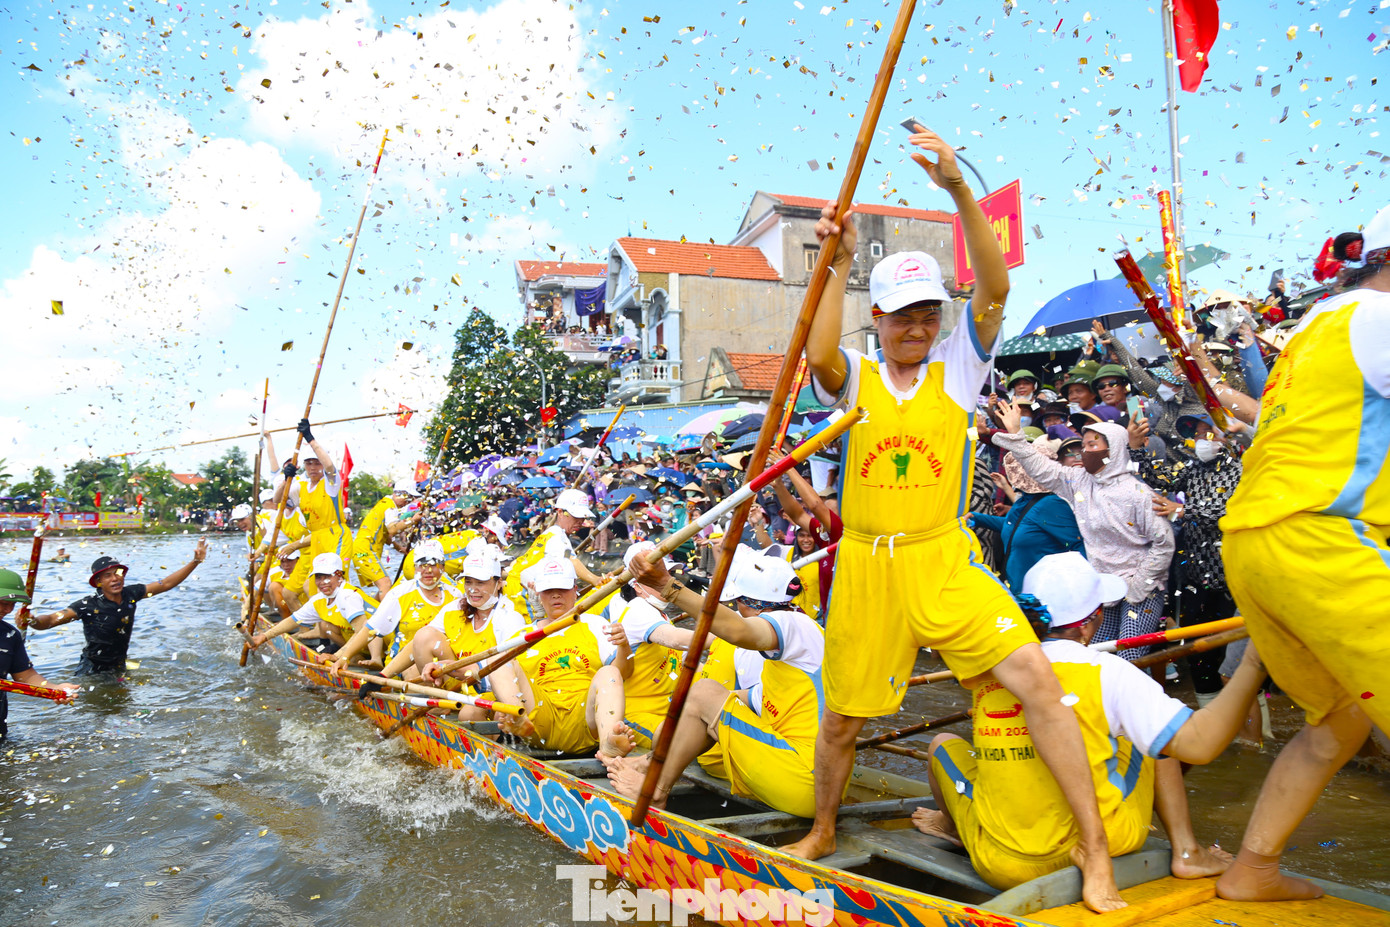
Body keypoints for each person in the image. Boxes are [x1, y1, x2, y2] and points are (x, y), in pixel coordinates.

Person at [792, 124, 1124, 912]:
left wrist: (957, 191)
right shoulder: (858, 377)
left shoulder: (961, 363)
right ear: (877, 316)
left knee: (1039, 681)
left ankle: (1096, 847)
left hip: (946, 556)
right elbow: (816, 354)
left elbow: (998, 289)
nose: (916, 326)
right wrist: (834, 264)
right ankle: (824, 828)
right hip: (871, 564)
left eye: (927, 312)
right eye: (902, 314)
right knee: (841, 721)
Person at [1212, 203, 1390, 902]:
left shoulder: (1318, 324)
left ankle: (1251, 866)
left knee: (1341, 716)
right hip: (1320, 537)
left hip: (1254, 542)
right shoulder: (1380, 320)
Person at [914, 553, 1267, 889]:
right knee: (1156, 729)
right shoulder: (1109, 672)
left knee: (941, 745)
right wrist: (1252, 665)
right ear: (1093, 620)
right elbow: (1200, 745)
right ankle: (1188, 852)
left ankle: (954, 826)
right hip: (1103, 841)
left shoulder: (991, 670)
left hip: (1001, 863)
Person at [605, 545, 826, 819]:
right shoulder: (792, 652)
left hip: (803, 778)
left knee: (703, 692)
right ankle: (651, 768)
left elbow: (738, 631)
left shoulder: (794, 624)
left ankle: (656, 791)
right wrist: (664, 741)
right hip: (803, 779)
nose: (734, 610)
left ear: (747, 603)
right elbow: (729, 700)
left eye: (735, 605)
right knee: (700, 699)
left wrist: (667, 585)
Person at [993, 403, 1175, 664]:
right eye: (1084, 445)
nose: (1085, 452)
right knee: (1096, 655)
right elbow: (1042, 469)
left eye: (1093, 446)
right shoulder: (1079, 480)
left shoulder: (1137, 493)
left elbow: (1164, 544)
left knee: (1129, 657)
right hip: (1105, 585)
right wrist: (1015, 435)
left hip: (1142, 587)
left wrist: (1139, 584)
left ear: (1112, 451)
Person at [1130, 413, 1243, 706]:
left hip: (1232, 578)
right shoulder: (1192, 468)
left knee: (1235, 660)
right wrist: (1137, 447)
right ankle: (1211, 726)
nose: (1203, 440)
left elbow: (1226, 514)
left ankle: (1253, 733)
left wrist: (1181, 512)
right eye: (1198, 434)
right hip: (1195, 578)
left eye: (1210, 432)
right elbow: (1158, 477)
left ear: (1226, 436)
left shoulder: (1241, 469)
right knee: (1197, 653)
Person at [26, 542, 209, 675]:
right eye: (108, 576)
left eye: (118, 573)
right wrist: (32, 620)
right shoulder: (88, 605)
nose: (115, 579)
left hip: (118, 665)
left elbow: (166, 583)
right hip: (92, 670)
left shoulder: (132, 594)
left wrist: (195, 562)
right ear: (98, 582)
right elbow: (50, 620)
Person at [490, 558, 612, 754]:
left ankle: (609, 744)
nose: (556, 595)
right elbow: (491, 678)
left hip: (586, 719)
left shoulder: (596, 624)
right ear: (538, 594)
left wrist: (623, 647)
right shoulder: (521, 636)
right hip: (539, 722)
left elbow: (621, 674)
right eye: (548, 590)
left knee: (609, 672)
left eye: (562, 589)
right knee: (497, 659)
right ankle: (517, 715)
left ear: (575, 590)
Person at [415, 545, 527, 718]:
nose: (473, 589)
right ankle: (438, 701)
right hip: (461, 683)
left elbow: (510, 676)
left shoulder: (510, 617)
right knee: (423, 634)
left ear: (498, 584)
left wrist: (458, 669)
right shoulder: (455, 608)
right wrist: (386, 674)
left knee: (468, 715)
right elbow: (418, 642)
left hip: (493, 689)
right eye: (468, 582)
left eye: (480, 582)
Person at [970, 439, 1085, 591]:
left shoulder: (1052, 505)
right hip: (1018, 591)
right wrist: (975, 518)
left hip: (1041, 600)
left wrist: (1078, 588)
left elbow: (1078, 545)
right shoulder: (1024, 499)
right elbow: (1013, 525)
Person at [332, 540, 460, 671]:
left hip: (443, 660)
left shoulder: (456, 595)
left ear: (443, 568)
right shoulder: (400, 594)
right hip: (404, 662)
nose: (427, 570)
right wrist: (344, 657)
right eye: (422, 565)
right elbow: (371, 629)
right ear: (415, 568)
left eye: (433, 565)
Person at [271, 420, 350, 601]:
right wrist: (286, 478)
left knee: (336, 581)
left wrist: (310, 438)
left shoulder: (331, 482)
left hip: (335, 536)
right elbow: (277, 500)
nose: (313, 468)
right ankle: (319, 626)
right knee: (316, 585)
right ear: (304, 466)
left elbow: (330, 467)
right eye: (309, 464)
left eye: (317, 463)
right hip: (316, 540)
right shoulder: (301, 486)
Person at [0, 569, 80, 740]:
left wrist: (54, 689)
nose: (7, 609)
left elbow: (26, 677)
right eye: (3, 602)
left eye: (12, 603)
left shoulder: (10, 635)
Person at [502, 488, 603, 618]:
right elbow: (571, 561)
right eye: (575, 516)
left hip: (521, 588)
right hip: (523, 592)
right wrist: (596, 580)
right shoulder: (556, 536)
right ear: (560, 512)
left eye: (582, 517)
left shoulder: (552, 533)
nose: (580, 521)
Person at [247, 553, 375, 652]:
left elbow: (362, 633)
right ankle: (354, 656)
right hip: (360, 643)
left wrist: (340, 657)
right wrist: (264, 637)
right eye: (318, 577)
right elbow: (293, 620)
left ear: (339, 575)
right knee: (326, 626)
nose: (322, 582)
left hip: (378, 642)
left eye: (327, 577)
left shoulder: (348, 596)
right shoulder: (320, 599)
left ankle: (362, 658)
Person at [352, 479, 422, 598]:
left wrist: (399, 548)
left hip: (359, 552)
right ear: (401, 494)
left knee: (383, 585)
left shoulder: (383, 503)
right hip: (365, 551)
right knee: (385, 584)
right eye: (409, 498)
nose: (408, 502)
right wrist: (413, 520)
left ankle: (375, 610)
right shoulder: (389, 506)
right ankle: (385, 615)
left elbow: (386, 535)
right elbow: (392, 530)